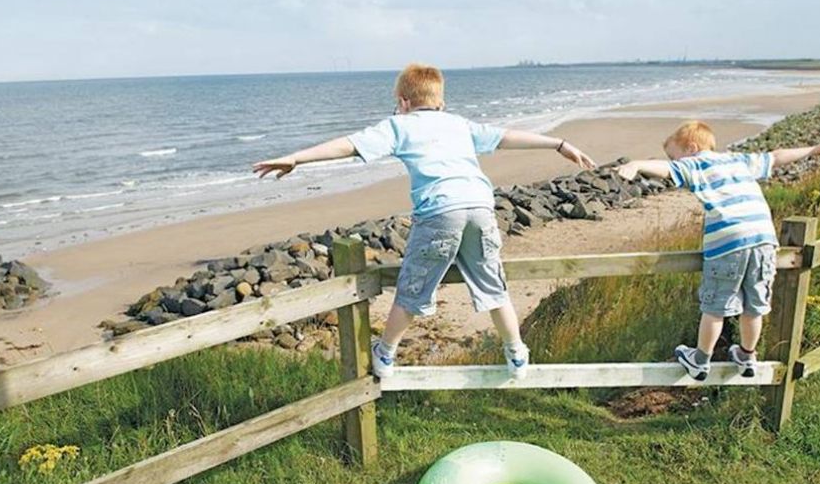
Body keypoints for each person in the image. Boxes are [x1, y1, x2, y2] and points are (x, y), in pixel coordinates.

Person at [253, 63, 596, 379]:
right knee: (493, 284)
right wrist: (559, 144)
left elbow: (349, 145)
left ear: (402, 102)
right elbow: (507, 136)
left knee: (413, 287)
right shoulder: (459, 124)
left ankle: (385, 354)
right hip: (480, 205)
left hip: (440, 211)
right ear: (441, 102)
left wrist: (296, 158)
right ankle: (516, 353)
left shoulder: (398, 126)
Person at [616, 121, 820, 380]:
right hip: (764, 239)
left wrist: (636, 165)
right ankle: (747, 355)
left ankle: (700, 360)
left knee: (716, 305)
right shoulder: (738, 160)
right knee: (754, 304)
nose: (674, 160)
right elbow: (777, 156)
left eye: (674, 154)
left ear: (690, 148)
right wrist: (814, 149)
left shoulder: (695, 163)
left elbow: (667, 170)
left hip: (729, 241)